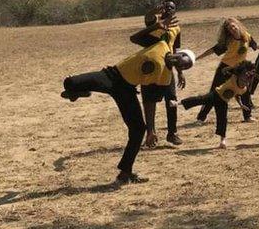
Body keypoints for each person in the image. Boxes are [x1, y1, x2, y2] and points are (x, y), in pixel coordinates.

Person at [60, 16, 194, 184]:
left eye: (185, 66)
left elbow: (149, 101)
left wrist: (151, 129)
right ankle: (80, 92)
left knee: (138, 130)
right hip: (111, 76)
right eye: (183, 59)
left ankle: (125, 173)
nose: (181, 63)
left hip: (127, 91)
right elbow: (135, 38)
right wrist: (153, 27)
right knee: (69, 82)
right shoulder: (162, 44)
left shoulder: (165, 78)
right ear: (179, 53)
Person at [131, 1, 185, 148]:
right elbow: (148, 17)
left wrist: (179, 72)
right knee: (149, 102)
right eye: (165, 6)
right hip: (149, 69)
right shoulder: (154, 22)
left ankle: (172, 133)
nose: (168, 8)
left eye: (171, 7)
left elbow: (175, 50)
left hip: (167, 69)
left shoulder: (177, 28)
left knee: (172, 100)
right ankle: (150, 133)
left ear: (175, 11)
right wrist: (153, 11)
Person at [180, 61, 257, 149]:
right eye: (243, 80)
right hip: (215, 95)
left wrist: (241, 105)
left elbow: (236, 95)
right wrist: (232, 68)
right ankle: (179, 103)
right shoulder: (233, 77)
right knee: (200, 99)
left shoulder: (243, 89)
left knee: (223, 120)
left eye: (247, 82)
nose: (244, 83)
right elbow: (224, 70)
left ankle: (222, 141)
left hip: (223, 102)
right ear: (239, 75)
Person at [196, 18, 259, 123]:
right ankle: (201, 117)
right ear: (228, 31)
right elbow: (212, 50)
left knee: (244, 92)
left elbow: (254, 45)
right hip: (225, 68)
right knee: (214, 92)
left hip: (239, 68)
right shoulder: (228, 41)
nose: (233, 29)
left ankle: (247, 116)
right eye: (230, 28)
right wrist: (197, 58)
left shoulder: (246, 36)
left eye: (233, 26)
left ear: (238, 25)